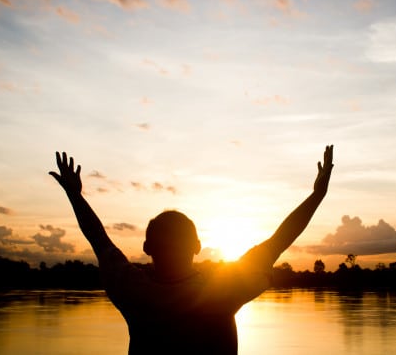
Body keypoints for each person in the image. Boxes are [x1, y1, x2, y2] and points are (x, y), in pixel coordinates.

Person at [49, 145, 334, 354]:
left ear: (147, 247)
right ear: (197, 247)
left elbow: (98, 239)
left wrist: (75, 196)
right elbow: (278, 241)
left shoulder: (132, 289)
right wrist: (317, 196)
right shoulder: (222, 291)